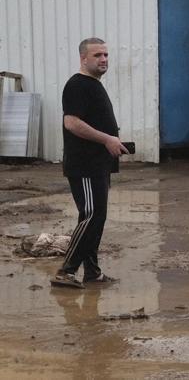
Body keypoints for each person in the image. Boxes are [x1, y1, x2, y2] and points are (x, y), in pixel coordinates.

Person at [51, 38, 128, 289]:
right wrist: (107, 139)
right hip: (85, 165)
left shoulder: (93, 85)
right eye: (97, 55)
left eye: (106, 54)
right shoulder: (77, 85)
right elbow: (71, 122)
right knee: (91, 216)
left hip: (98, 164)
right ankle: (65, 271)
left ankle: (92, 272)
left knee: (97, 217)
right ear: (84, 58)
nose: (104, 59)